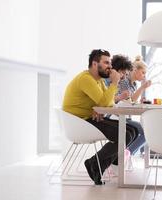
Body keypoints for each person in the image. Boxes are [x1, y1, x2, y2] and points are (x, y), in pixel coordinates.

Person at [62, 49, 138, 185]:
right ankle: (94, 163)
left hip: (90, 119)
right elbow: (105, 102)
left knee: (132, 132)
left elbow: (108, 103)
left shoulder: (99, 81)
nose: (110, 66)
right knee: (124, 135)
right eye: (106, 62)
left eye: (109, 62)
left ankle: (97, 166)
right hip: (81, 122)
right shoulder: (86, 79)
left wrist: (99, 107)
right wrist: (114, 83)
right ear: (95, 64)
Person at [118, 55, 151, 155]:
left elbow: (131, 101)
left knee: (146, 132)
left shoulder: (134, 84)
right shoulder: (124, 81)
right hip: (118, 117)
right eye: (143, 72)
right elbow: (129, 100)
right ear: (135, 70)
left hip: (127, 118)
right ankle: (126, 155)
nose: (144, 76)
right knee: (146, 133)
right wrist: (142, 88)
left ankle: (126, 154)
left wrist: (139, 101)